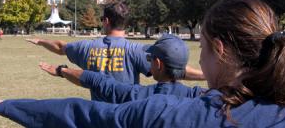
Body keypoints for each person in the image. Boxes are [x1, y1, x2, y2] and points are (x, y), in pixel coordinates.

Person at [0, 0, 285, 127]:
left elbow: (89, 112)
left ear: (220, 49)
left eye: (204, 47)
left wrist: (10, 104)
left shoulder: (169, 112)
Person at [26, 2, 203, 100]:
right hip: (129, 114)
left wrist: (41, 41)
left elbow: (60, 47)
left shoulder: (86, 47)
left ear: (106, 21)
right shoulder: (136, 50)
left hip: (98, 116)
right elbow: (173, 67)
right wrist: (206, 75)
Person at [37, 34, 205, 104]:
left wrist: (61, 71)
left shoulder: (138, 96)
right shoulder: (197, 96)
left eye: (150, 58)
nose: (148, 61)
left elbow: (97, 82)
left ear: (159, 64)